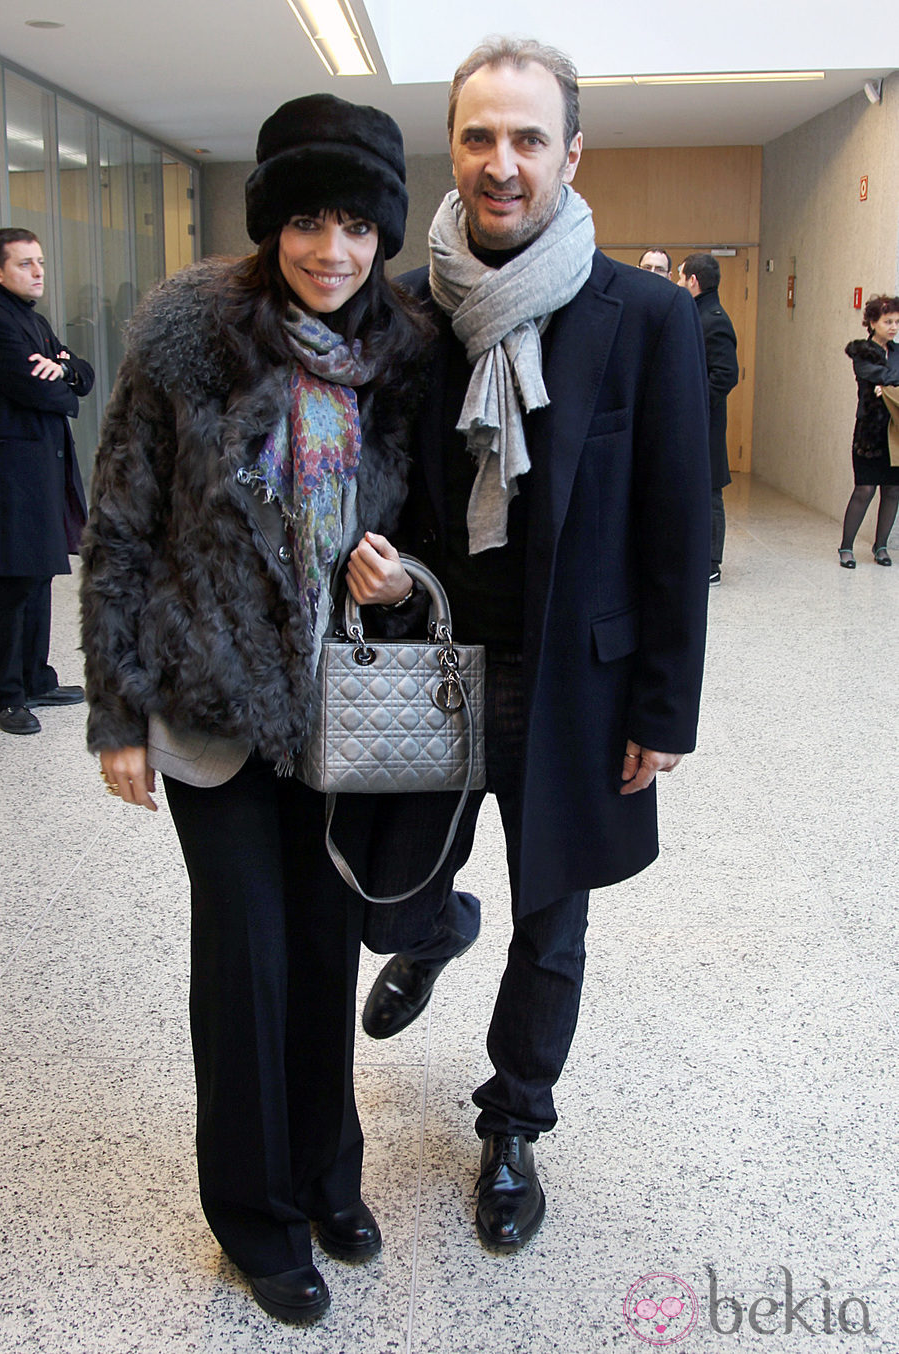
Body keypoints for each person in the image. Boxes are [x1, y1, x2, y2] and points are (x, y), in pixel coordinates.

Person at [355, 36, 711, 1254]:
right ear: (451, 146)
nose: (499, 164)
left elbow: (678, 522)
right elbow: (377, 484)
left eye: (525, 139)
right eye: (476, 138)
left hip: (581, 684)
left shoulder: (647, 319)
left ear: (570, 152)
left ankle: (513, 1122)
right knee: (387, 896)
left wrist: (662, 712)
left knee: (552, 920)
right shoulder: (405, 311)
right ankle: (430, 935)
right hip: (435, 671)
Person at [79, 94, 430, 1324]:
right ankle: (256, 1215)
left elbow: (424, 539)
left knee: (323, 958)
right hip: (211, 710)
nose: (329, 250)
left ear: (383, 234)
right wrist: (115, 709)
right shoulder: (188, 336)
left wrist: (394, 588)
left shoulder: (404, 355)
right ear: (268, 223)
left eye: (353, 225)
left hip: (340, 719)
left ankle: (329, 1177)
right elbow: (118, 525)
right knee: (244, 966)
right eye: (304, 221)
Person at [0, 228, 93, 734]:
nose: (37, 272)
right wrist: (64, 381)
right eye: (24, 264)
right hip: (13, 471)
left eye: (39, 262)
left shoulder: (31, 320)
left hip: (42, 466)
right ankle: (6, 695)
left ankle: (36, 677)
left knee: (40, 573)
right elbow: (52, 396)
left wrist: (63, 369)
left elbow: (81, 372)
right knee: (16, 581)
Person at [678, 253, 739, 585]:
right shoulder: (696, 314)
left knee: (710, 491)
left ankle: (711, 563)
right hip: (693, 422)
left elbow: (726, 374)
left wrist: (693, 404)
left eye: (680, 276)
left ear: (693, 281)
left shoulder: (714, 320)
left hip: (705, 423)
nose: (677, 282)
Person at [840, 295, 899, 567]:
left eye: (897, 322)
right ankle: (846, 547)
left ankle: (881, 546)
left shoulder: (897, 352)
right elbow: (878, 376)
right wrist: (886, 384)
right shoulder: (862, 351)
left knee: (893, 489)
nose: (893, 327)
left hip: (895, 431)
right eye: (888, 321)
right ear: (872, 322)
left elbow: (887, 380)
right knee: (864, 489)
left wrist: (886, 387)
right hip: (870, 432)